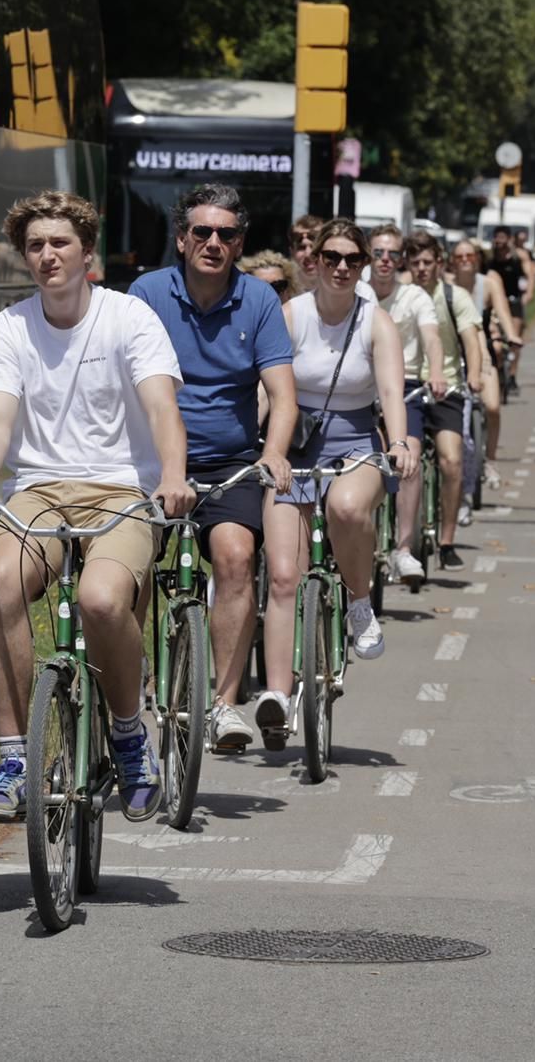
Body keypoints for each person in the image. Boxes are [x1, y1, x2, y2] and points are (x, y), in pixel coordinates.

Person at [0, 190, 193, 820]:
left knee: (102, 600)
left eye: (60, 243)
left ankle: (130, 733)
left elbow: (162, 405)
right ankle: (13, 759)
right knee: (2, 578)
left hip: (121, 489)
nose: (47, 256)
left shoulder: (129, 319)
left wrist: (171, 476)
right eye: (35, 246)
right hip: (39, 489)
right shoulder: (11, 327)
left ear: (89, 254)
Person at [130, 184, 297, 752]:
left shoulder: (259, 300)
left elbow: (283, 393)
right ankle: (128, 692)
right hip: (152, 460)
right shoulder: (148, 293)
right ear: (182, 239)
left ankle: (224, 703)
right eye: (201, 231)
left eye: (226, 234)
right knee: (126, 572)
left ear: (240, 243)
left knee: (235, 556)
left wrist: (272, 451)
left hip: (228, 462)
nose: (212, 242)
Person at [252, 218, 409, 746]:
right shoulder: (290, 315)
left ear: (363, 266)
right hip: (292, 447)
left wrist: (401, 443)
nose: (342, 267)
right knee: (281, 577)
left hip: (355, 444)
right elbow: (265, 391)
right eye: (332, 257)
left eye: (353, 259)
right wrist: (255, 444)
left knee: (345, 507)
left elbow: (390, 393)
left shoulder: (375, 322)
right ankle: (276, 695)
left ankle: (359, 603)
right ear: (312, 262)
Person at [358, 223, 438, 588]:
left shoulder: (415, 297)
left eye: (393, 254)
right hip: (362, 386)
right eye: (378, 253)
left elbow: (431, 339)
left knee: (410, 456)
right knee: (363, 462)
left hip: (404, 385)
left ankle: (404, 547)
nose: (386, 260)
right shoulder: (356, 291)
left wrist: (436, 371)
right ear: (368, 256)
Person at [405, 231, 483, 571]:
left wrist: (475, 376)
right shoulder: (398, 294)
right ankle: (398, 538)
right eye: (415, 262)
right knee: (403, 461)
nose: (422, 269)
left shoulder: (454, 296)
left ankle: (447, 540)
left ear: (439, 264)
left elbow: (471, 340)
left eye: (428, 262)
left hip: (444, 388)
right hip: (406, 387)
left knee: (451, 462)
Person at [448, 239, 520, 526]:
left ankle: (489, 460)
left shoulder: (488, 283)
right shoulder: (445, 282)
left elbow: (502, 311)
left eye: (470, 255)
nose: (465, 259)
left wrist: (511, 334)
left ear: (477, 258)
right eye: (459, 255)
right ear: (452, 260)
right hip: (452, 357)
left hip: (481, 353)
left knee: (492, 407)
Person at [488, 227, 529, 392]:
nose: (499, 241)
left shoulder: (517, 257)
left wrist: (528, 293)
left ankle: (512, 375)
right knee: (495, 337)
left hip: (513, 301)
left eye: (502, 237)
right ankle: (498, 372)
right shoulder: (490, 258)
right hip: (495, 303)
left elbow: (529, 274)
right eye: (497, 237)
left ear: (509, 239)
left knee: (514, 338)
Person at [289, 214, 324, 294]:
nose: (308, 254)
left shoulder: (346, 287)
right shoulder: (284, 290)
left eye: (314, 246)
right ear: (292, 252)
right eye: (301, 248)